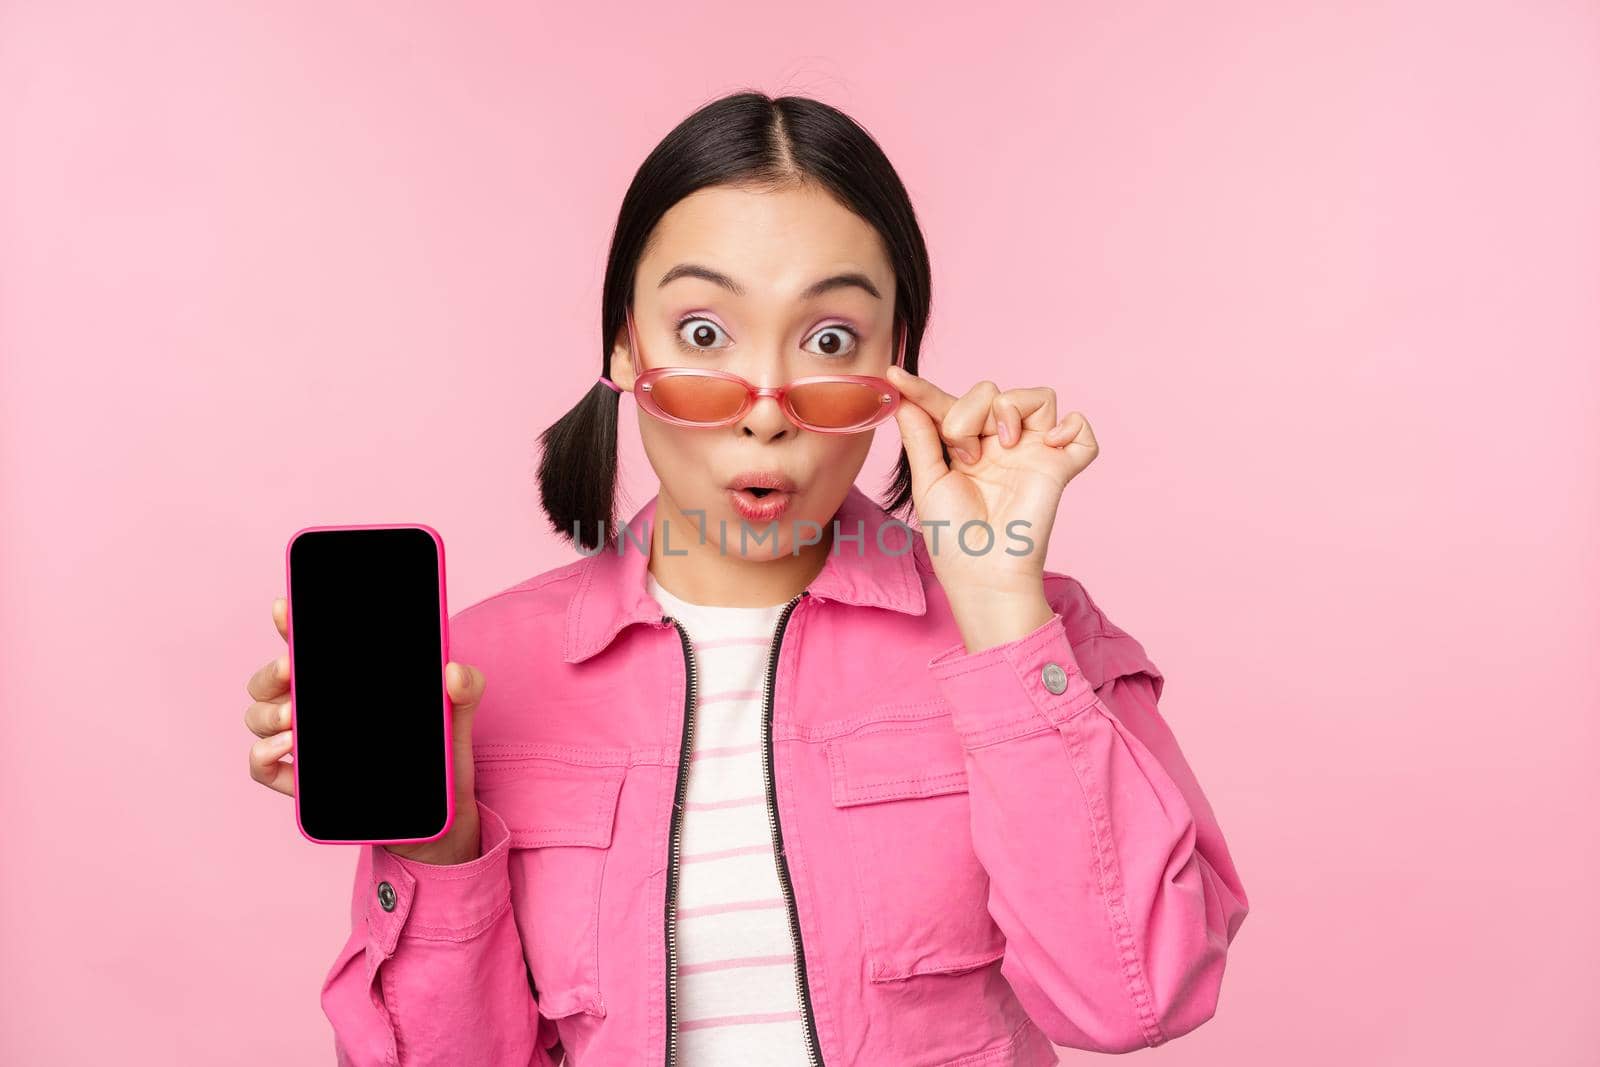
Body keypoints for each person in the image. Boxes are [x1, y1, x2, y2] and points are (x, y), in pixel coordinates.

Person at [243, 90, 1249, 1066]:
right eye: (703, 333)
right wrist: (438, 839)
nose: (764, 408)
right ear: (624, 347)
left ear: (898, 363)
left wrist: (995, 604)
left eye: (828, 340)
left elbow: (1135, 999)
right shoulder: (476, 672)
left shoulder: (1033, 632)